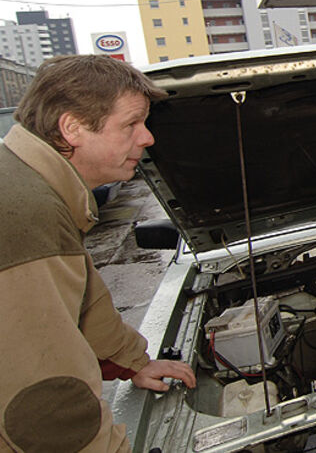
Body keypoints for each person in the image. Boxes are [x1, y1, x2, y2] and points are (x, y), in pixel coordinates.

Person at [0, 55, 196, 453]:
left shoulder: (33, 185)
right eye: (131, 124)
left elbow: (84, 301)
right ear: (72, 128)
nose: (147, 138)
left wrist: (133, 360)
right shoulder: (25, 212)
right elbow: (46, 402)